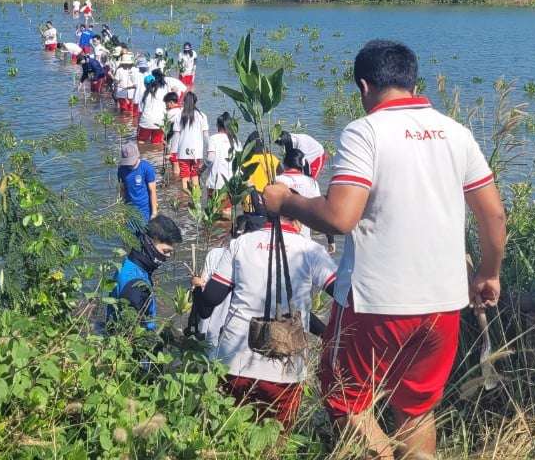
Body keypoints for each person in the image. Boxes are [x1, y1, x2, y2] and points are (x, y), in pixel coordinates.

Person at [262, 39, 507, 460]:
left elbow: (340, 217)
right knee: (415, 408)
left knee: (345, 399)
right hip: (444, 303)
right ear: (413, 82)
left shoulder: (366, 131)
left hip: (375, 301)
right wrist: (489, 272)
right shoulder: (456, 133)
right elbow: (494, 215)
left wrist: (286, 202)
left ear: (363, 86)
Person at [191, 213, 337, 427]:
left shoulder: (240, 244)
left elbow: (212, 297)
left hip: (234, 362)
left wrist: (197, 289)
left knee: (231, 430)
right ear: (298, 220)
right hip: (285, 369)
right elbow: (344, 292)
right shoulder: (311, 250)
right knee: (277, 436)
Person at [192, 210, 259, 349]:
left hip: (208, 322)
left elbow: (202, 284)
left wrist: (196, 283)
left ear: (231, 232)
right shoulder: (252, 259)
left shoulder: (214, 253)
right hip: (233, 329)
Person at [109, 214, 181, 329]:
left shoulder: (129, 264)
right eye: (165, 251)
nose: (168, 256)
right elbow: (133, 332)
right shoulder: (136, 285)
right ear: (149, 243)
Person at [276, 142, 322, 239]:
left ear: (284, 164)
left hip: (282, 235)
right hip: (304, 235)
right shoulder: (312, 183)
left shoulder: (277, 180)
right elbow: (319, 209)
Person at [171, 92, 208, 197]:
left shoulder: (179, 115)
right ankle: (196, 200)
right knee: (195, 176)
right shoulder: (202, 116)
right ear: (195, 102)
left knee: (185, 177)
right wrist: (209, 149)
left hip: (183, 152)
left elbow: (176, 136)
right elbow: (206, 135)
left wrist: (173, 152)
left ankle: (186, 200)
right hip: (197, 152)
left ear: (184, 101)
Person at [117, 137, 158, 225]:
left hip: (145, 210)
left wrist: (154, 213)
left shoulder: (146, 168)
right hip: (130, 211)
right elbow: (122, 190)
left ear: (137, 156)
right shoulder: (121, 170)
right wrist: (121, 211)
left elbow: (152, 191)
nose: (129, 164)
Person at [137, 74, 168, 146]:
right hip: (160, 121)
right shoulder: (163, 91)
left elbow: (140, 111)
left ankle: (141, 152)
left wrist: (139, 125)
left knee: (141, 141)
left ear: (145, 84)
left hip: (146, 121)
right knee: (156, 143)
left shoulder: (144, 94)